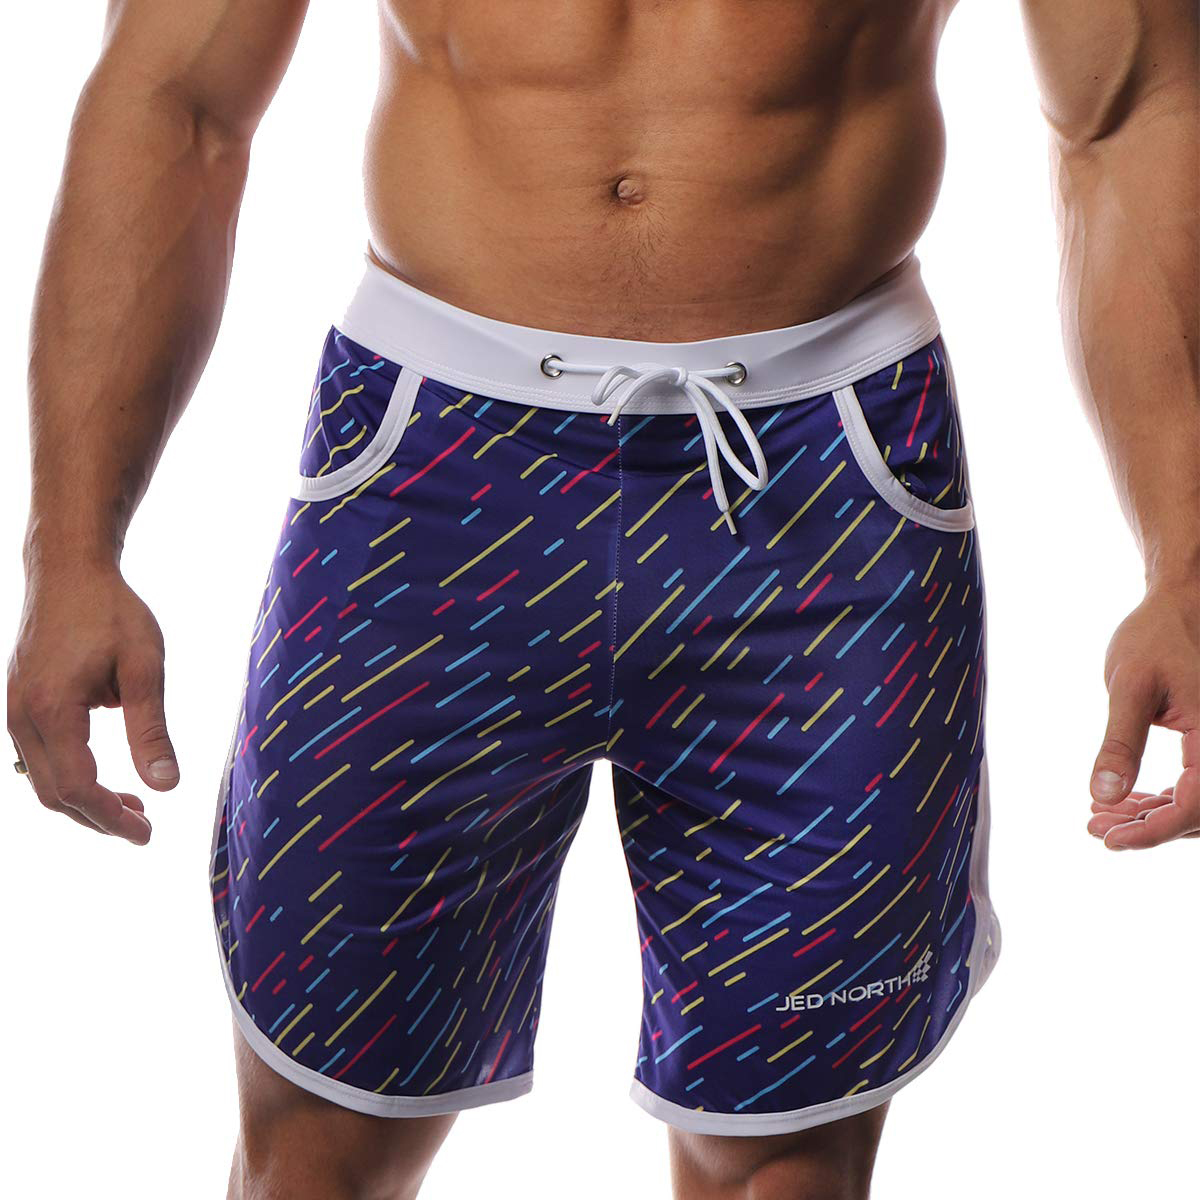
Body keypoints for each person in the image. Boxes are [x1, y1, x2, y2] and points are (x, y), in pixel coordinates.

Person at [7, 2, 1196, 1198]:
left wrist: (1185, 567)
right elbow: (178, 104)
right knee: (321, 1145)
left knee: (782, 1160)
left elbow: (1131, 110)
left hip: (825, 489)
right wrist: (73, 550)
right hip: (432, 481)